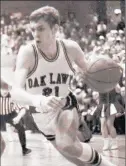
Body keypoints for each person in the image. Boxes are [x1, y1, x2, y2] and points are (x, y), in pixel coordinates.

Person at [11, 6, 116, 166]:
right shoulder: (28, 52)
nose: (35, 34)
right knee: (80, 161)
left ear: (55, 29)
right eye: (33, 29)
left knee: (67, 144)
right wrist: (39, 100)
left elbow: (90, 72)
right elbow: (15, 92)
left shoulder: (70, 48)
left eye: (40, 28)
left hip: (65, 105)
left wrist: (105, 72)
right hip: (40, 115)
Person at [0, 78, 31, 155]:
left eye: (6, 89)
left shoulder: (13, 97)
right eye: (3, 89)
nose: (5, 91)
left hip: (10, 114)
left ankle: (24, 149)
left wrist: (18, 117)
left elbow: (23, 109)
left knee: (21, 128)